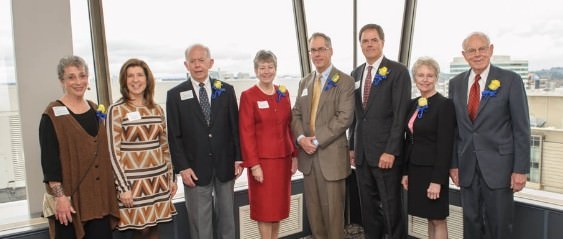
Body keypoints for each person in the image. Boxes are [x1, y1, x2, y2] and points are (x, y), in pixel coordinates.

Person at [448, 32, 530, 239]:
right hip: (467, 168)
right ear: (464, 55)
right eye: (471, 50)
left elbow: (521, 129)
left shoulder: (510, 80)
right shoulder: (456, 83)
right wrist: (453, 164)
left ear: (491, 50)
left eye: (482, 49)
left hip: (499, 169)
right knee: (471, 225)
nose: (477, 54)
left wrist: (520, 169)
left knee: (500, 228)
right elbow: (455, 128)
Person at [166, 44, 242, 239]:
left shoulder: (226, 90)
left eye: (201, 60)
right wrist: (182, 167)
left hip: (225, 166)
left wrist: (238, 158)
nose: (197, 65)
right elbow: (174, 136)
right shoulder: (174, 95)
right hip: (194, 169)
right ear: (186, 64)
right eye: (193, 61)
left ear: (211, 62)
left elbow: (235, 127)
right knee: (201, 224)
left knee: (227, 221)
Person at [39, 55, 119, 239]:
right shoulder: (51, 115)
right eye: (71, 77)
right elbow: (49, 164)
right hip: (69, 203)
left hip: (99, 202)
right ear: (62, 81)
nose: (78, 82)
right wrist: (60, 198)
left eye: (82, 76)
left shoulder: (94, 109)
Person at [348, 23, 410, 239]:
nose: (369, 44)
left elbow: (400, 116)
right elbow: (356, 116)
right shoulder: (355, 74)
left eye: (374, 40)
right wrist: (351, 147)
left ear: (382, 42)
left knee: (391, 209)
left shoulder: (398, 72)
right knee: (368, 209)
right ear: (360, 45)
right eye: (365, 41)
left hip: (386, 155)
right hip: (362, 155)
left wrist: (391, 151)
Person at [291, 32, 355, 239]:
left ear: (330, 51)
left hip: (331, 157)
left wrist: (316, 141)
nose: (317, 54)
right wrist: (301, 139)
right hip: (308, 158)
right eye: (313, 50)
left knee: (334, 215)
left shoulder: (344, 81)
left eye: (321, 49)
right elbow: (296, 114)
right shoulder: (305, 82)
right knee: (314, 213)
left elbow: (344, 118)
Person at [107, 58, 177, 239]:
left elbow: (164, 147)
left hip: (158, 181)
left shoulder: (156, 110)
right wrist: (123, 187)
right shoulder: (116, 110)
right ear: (124, 80)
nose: (135, 80)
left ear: (147, 79)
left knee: (154, 229)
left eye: (139, 75)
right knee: (141, 230)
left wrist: (171, 178)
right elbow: (113, 153)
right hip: (133, 185)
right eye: (130, 76)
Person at [239, 50, 298, 239]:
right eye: (262, 68)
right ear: (256, 71)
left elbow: (290, 126)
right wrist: (254, 164)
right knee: (265, 211)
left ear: (275, 69)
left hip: (283, 161)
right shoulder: (249, 96)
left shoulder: (283, 92)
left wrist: (294, 156)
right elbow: (246, 133)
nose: (266, 71)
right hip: (262, 164)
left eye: (270, 67)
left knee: (279, 209)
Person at [400, 57, 455, 239]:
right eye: (421, 75)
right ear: (415, 77)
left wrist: (437, 181)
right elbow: (409, 140)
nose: (425, 79)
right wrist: (406, 172)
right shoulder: (412, 104)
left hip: (433, 171)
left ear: (436, 78)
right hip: (416, 169)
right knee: (429, 218)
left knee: (438, 219)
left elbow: (445, 146)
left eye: (430, 75)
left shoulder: (444, 105)